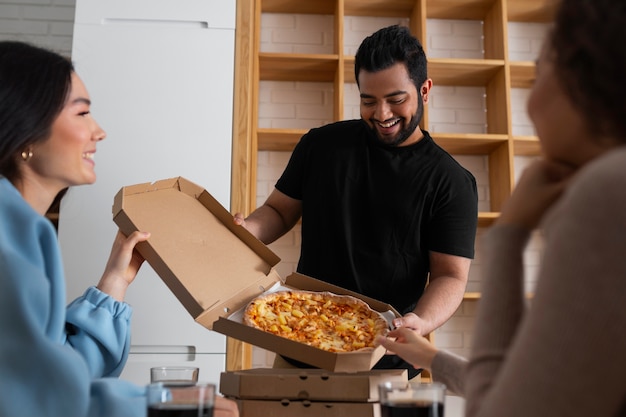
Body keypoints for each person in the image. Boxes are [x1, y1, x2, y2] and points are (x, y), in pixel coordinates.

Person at [377, 0, 626, 414]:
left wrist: (508, 237)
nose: (529, 98)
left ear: (579, 79)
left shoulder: (607, 195)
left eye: (537, 72)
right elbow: (541, 384)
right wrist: (429, 357)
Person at [0, 41, 239, 417]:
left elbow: (51, 372)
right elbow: (37, 402)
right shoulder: (8, 233)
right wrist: (163, 405)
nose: (99, 132)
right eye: (82, 113)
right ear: (25, 126)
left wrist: (115, 281)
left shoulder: (19, 226)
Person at [234, 25, 478, 378]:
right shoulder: (320, 146)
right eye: (368, 100)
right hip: (299, 341)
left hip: (386, 358)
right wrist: (246, 231)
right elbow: (278, 211)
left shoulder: (452, 182)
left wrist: (420, 321)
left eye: (396, 99)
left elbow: (451, 276)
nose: (382, 114)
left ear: (425, 90)